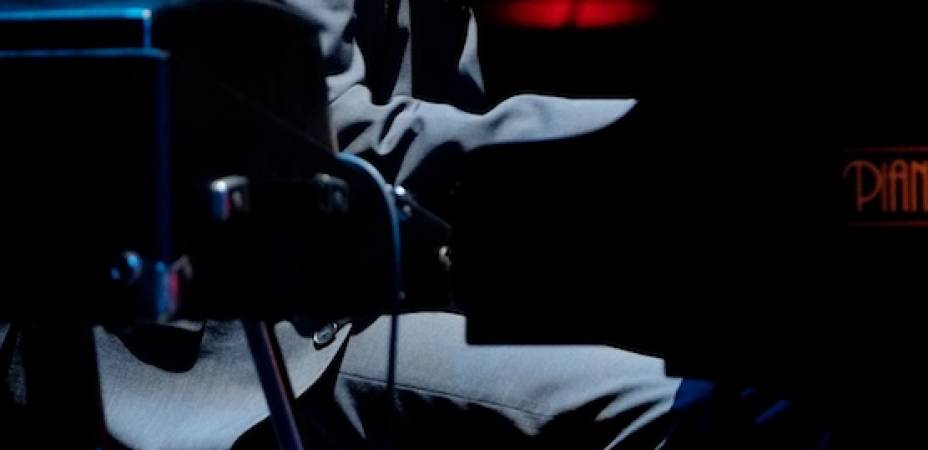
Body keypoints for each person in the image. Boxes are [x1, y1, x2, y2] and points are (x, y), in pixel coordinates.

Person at [2, 0, 830, 448]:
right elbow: (326, 143)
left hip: (382, 281)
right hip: (247, 333)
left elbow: (451, 145)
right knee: (696, 413)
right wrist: (668, 147)